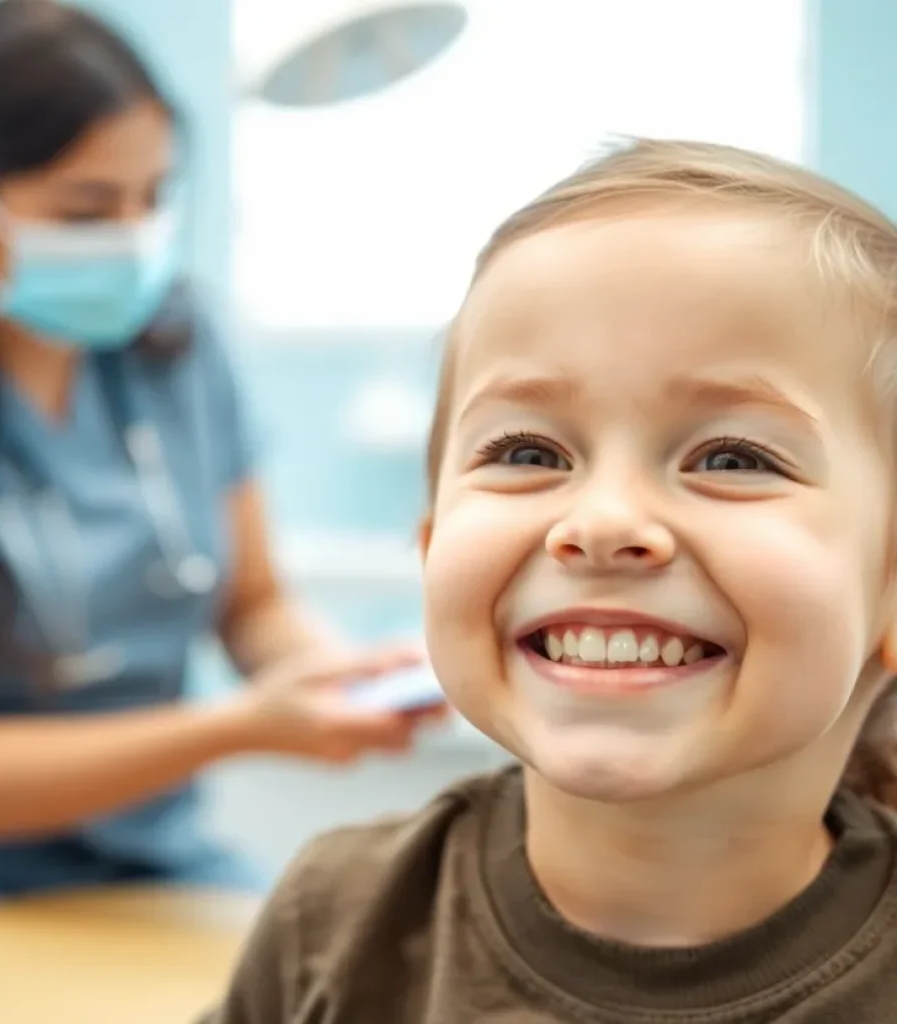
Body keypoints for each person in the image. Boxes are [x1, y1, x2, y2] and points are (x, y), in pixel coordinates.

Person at [210, 137, 897, 1023]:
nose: (603, 522)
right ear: (430, 552)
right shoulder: (334, 924)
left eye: (732, 456)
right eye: (529, 452)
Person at [0, 0, 440, 955]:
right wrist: (238, 727)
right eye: (88, 209)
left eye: (153, 197)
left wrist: (329, 674)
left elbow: (253, 602)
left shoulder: (180, 345)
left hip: (156, 860)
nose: (133, 238)